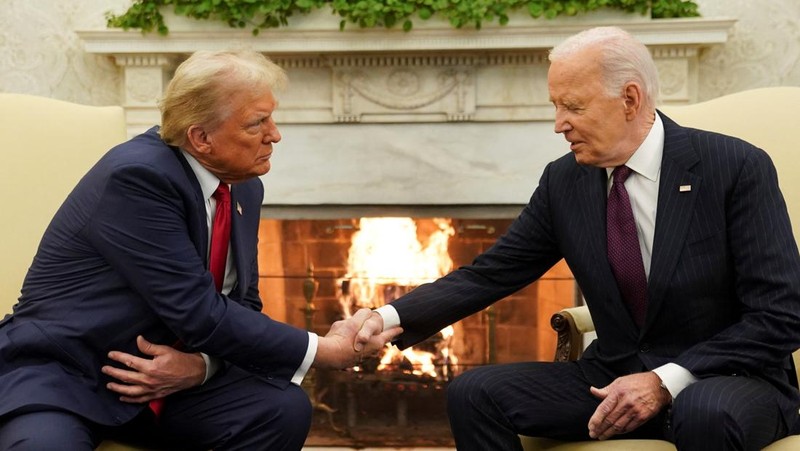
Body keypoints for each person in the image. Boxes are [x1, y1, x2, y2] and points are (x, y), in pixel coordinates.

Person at [355, 26, 800, 450]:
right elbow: (492, 274)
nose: (558, 124)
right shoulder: (564, 181)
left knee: (704, 411)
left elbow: (782, 313)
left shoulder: (733, 166)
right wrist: (387, 316)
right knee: (474, 392)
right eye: (555, 106)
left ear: (629, 99)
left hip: (725, 380)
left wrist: (667, 380)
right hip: (613, 377)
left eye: (573, 106)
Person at [0, 49, 400, 450]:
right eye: (257, 123)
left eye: (271, 117)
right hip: (71, 375)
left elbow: (241, 304)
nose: (274, 134)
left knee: (281, 408)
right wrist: (323, 350)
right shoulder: (138, 178)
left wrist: (202, 367)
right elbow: (197, 311)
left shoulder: (243, 186)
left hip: (167, 386)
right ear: (201, 138)